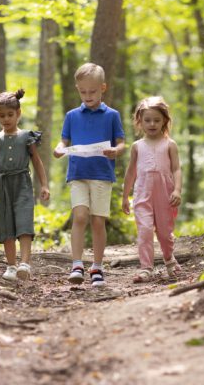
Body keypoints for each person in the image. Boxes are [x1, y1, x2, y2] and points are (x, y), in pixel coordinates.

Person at [54, 63, 125, 287]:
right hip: (78, 173)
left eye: (92, 91)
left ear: (102, 88)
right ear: (77, 89)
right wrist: (58, 148)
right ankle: (77, 264)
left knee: (97, 220)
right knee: (80, 216)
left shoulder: (112, 115)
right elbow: (64, 140)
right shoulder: (72, 116)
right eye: (83, 92)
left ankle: (97, 266)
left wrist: (116, 151)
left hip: (102, 174)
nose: (87, 96)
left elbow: (122, 142)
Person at [0, 89, 49, 282]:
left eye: (10, 115)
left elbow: (37, 161)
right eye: (2, 115)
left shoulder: (27, 136)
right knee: (6, 225)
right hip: (3, 186)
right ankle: (11, 265)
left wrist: (44, 185)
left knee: (24, 222)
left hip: (23, 184)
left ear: (18, 113)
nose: (6, 119)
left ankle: (25, 264)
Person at [122, 96, 183, 282]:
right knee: (145, 230)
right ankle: (146, 268)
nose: (152, 124)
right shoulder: (137, 146)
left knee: (165, 232)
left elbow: (176, 169)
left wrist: (177, 190)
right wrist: (125, 196)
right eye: (147, 120)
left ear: (165, 120)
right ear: (139, 121)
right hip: (142, 194)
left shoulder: (170, 144)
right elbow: (131, 172)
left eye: (157, 120)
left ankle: (169, 259)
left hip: (165, 194)